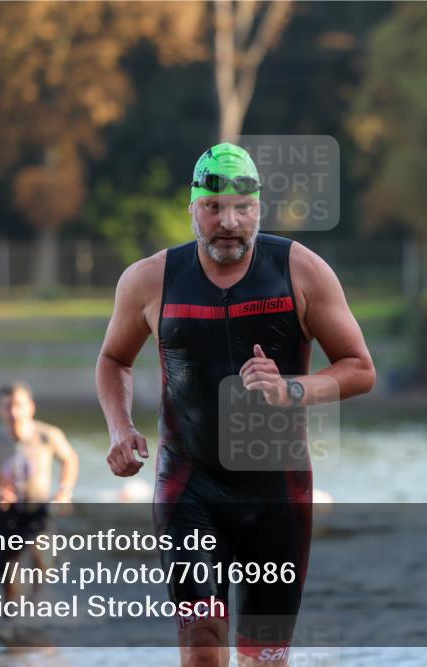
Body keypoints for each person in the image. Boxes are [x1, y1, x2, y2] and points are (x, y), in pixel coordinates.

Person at [96, 142, 376, 667]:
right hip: (190, 483)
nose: (228, 222)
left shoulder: (301, 271)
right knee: (202, 637)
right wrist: (120, 428)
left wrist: (292, 389)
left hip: (277, 487)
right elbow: (113, 359)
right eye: (213, 207)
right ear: (192, 209)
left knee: (263, 658)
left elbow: (360, 368)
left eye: (242, 208)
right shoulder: (150, 279)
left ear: (259, 209)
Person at [0, 381, 79, 600]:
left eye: (18, 405)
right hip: (7, 513)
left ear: (31, 407)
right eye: (6, 406)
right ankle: (9, 622)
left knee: (43, 562)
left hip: (39, 510)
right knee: (8, 580)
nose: (13, 412)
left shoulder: (47, 435)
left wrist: (64, 490)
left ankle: (39, 610)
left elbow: (70, 459)